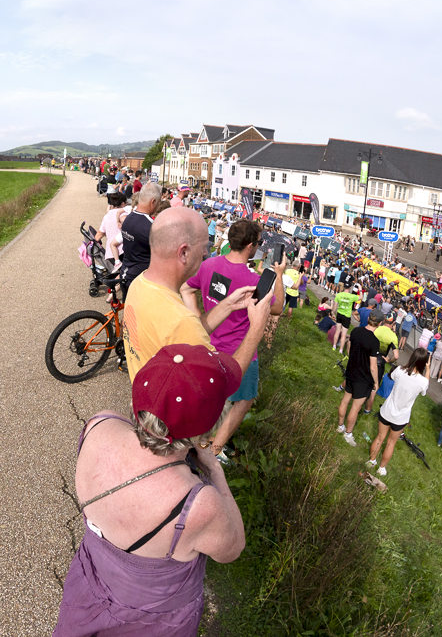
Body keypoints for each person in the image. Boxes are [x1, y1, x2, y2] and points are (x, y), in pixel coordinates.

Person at [52, 344, 247, 636]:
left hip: (86, 587)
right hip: (150, 623)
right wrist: (214, 469)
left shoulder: (99, 424)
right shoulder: (197, 504)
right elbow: (232, 549)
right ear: (206, 429)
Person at [123, 207, 271, 383]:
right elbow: (225, 382)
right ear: (184, 253)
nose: (206, 253)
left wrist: (228, 305)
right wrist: (256, 329)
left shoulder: (139, 283)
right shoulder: (181, 322)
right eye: (203, 247)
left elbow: (184, 333)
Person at [181, 219, 286, 460]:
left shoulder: (209, 264)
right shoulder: (252, 281)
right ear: (250, 246)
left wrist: (199, 322)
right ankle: (214, 451)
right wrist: (278, 275)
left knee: (209, 395)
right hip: (240, 351)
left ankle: (195, 438)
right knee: (244, 401)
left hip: (208, 345)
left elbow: (186, 289)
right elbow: (277, 308)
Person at [366, 348, 430, 476]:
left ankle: (371, 461)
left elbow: (393, 376)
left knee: (380, 437)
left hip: (387, 411)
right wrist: (427, 370)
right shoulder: (423, 381)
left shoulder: (399, 370)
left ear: (412, 358)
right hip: (401, 418)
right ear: (424, 363)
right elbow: (425, 388)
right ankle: (381, 468)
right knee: (391, 443)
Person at [336, 311, 381, 446]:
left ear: (368, 319)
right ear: (379, 324)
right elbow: (373, 366)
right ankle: (348, 434)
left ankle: (340, 426)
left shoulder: (355, 331)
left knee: (345, 400)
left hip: (351, 371)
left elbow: (349, 348)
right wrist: (376, 382)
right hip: (363, 378)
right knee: (355, 407)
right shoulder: (374, 341)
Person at [120, 182, 162, 291]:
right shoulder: (151, 226)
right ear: (153, 202)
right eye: (159, 202)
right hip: (141, 279)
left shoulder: (128, 219)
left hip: (126, 272)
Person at [94, 192, 128, 265]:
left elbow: (100, 233)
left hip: (111, 252)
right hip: (124, 249)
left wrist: (92, 244)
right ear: (122, 204)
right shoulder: (124, 213)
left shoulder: (106, 216)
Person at [333, 280, 361, 353]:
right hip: (346, 316)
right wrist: (360, 289)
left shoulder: (339, 295)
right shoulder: (352, 296)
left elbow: (335, 306)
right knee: (344, 334)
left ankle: (334, 346)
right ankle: (341, 350)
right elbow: (361, 298)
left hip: (339, 314)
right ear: (350, 287)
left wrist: (333, 313)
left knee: (337, 331)